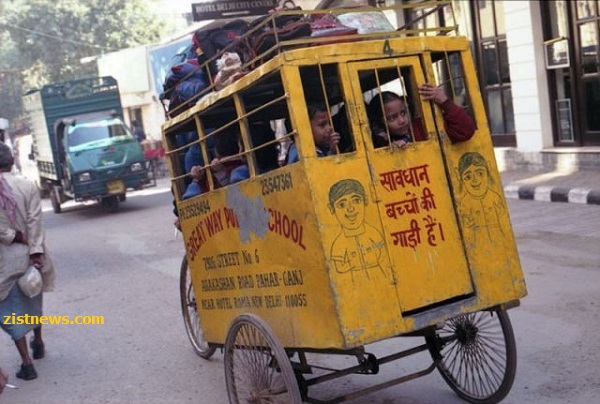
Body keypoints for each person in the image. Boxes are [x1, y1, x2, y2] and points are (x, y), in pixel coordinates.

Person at [0, 142, 56, 381]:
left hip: (4, 261)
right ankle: (39, 342)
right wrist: (35, 250)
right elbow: (35, 220)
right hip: (31, 255)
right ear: (12, 162)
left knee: (10, 311)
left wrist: (13, 236)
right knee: (33, 297)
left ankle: (27, 364)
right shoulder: (26, 185)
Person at [367, 83, 475, 149]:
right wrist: (391, 150)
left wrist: (445, 102)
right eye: (392, 118)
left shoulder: (422, 126)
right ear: (379, 122)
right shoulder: (378, 143)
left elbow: (466, 130)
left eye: (403, 113)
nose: (402, 120)